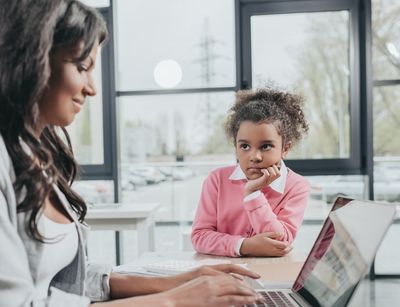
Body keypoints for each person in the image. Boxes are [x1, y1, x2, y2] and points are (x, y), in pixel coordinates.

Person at [0, 0, 264, 306]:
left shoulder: (34, 154)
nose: (92, 88)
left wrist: (180, 281)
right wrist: (173, 301)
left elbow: (68, 282)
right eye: (82, 67)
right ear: (31, 58)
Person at [191, 88, 310, 257]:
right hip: (224, 273)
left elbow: (280, 243)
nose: (254, 157)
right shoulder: (217, 180)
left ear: (285, 148)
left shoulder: (297, 186)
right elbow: (200, 237)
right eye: (245, 146)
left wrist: (252, 193)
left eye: (266, 146)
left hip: (270, 273)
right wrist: (245, 246)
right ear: (236, 146)